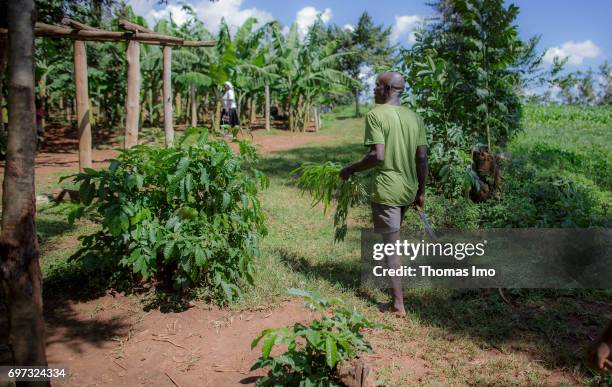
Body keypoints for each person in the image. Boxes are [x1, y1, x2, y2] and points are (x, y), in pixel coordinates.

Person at [340, 72, 428, 316]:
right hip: (408, 189)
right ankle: (393, 287)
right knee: (393, 241)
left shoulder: (375, 115)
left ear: (388, 88)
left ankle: (397, 304)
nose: (374, 89)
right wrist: (421, 191)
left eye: (377, 85)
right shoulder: (414, 117)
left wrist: (350, 169)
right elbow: (422, 158)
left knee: (391, 247)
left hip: (387, 190)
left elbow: (377, 156)